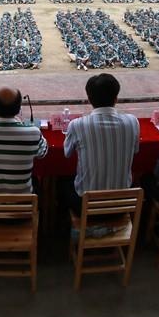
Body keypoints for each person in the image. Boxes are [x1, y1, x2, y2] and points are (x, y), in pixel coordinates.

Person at [60, 74, 140, 215]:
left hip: (87, 206)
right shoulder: (132, 122)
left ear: (89, 99)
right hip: (122, 204)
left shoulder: (77, 125)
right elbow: (135, 150)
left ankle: (60, 231)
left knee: (61, 182)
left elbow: (67, 153)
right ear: (116, 98)